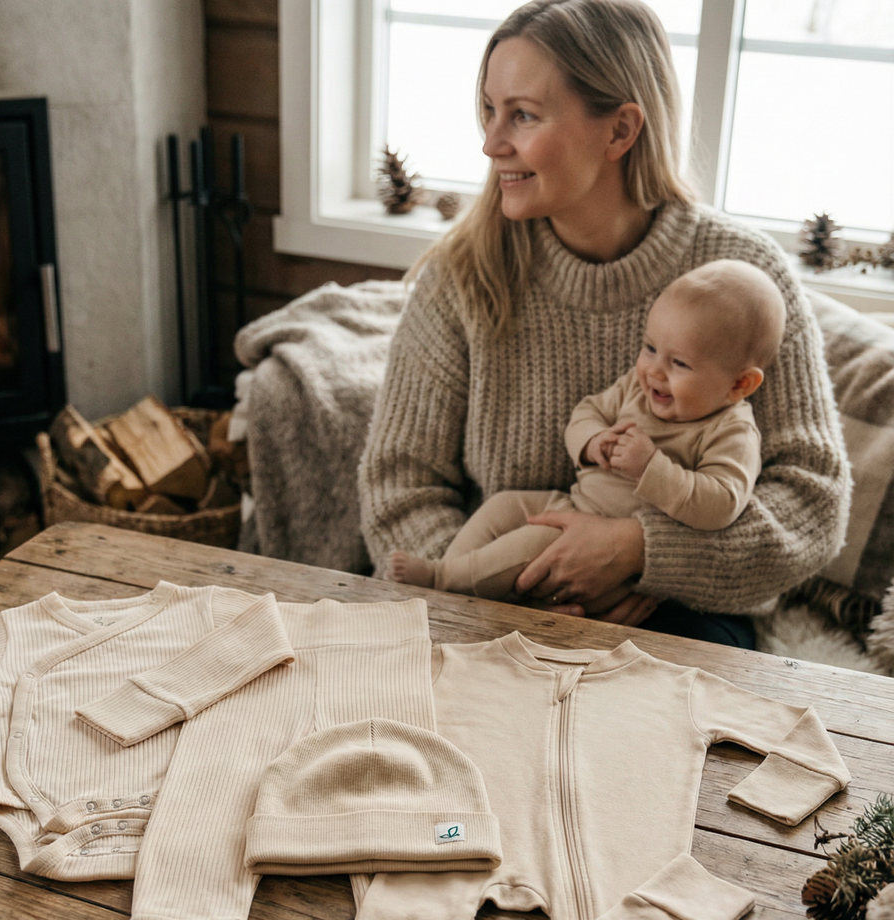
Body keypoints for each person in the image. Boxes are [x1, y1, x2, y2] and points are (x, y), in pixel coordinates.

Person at [356, 0, 849, 648]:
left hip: (681, 615)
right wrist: (507, 596)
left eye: (523, 115)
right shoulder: (463, 278)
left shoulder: (745, 280)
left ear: (619, 131)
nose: (490, 143)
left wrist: (641, 554)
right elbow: (399, 485)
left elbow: (812, 500)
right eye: (488, 109)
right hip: (486, 606)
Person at [389, 258, 785, 610]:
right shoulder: (639, 385)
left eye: (679, 363)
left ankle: (444, 582)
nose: (653, 371)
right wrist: (592, 442)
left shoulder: (731, 431)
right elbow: (588, 411)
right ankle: (448, 579)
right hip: (574, 504)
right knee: (503, 506)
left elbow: (721, 503)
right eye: (649, 348)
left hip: (616, 567)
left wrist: (651, 468)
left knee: (532, 544)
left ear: (740, 385)